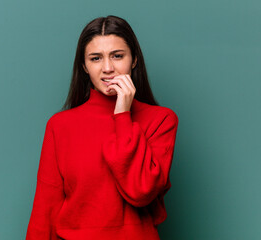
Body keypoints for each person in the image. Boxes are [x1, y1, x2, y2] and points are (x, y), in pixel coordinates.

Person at [25, 15, 179, 240]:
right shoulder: (60, 125)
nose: (108, 68)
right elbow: (44, 210)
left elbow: (141, 191)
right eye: (96, 58)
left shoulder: (161, 120)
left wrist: (122, 115)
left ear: (134, 60)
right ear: (84, 66)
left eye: (117, 56)